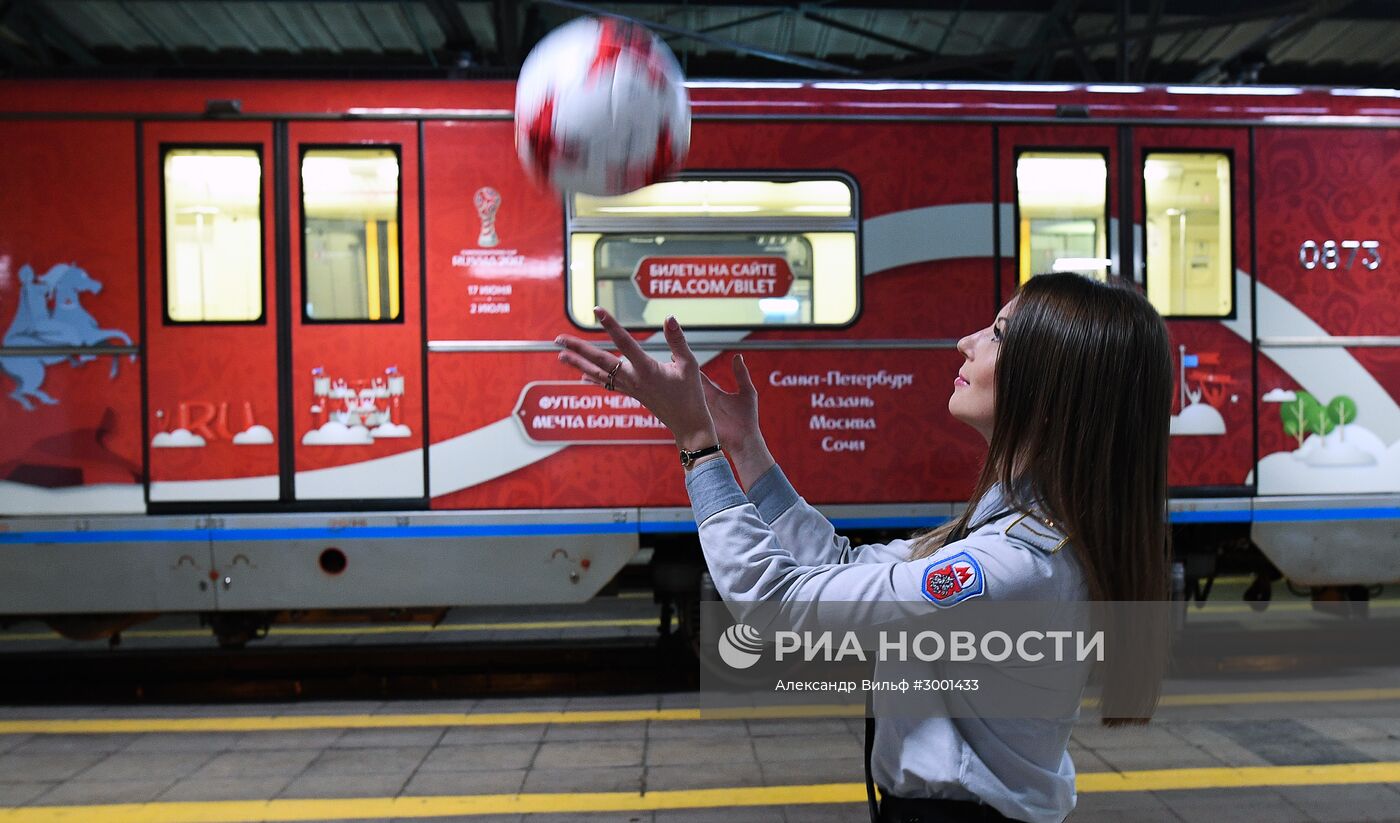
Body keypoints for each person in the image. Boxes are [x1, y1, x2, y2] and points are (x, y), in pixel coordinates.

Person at [554, 272, 1173, 823]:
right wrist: (743, 448)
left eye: (999, 335)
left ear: (1050, 384)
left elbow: (774, 604)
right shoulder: (1011, 532)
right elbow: (841, 568)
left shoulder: (1012, 563)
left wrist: (697, 445)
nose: (967, 341)